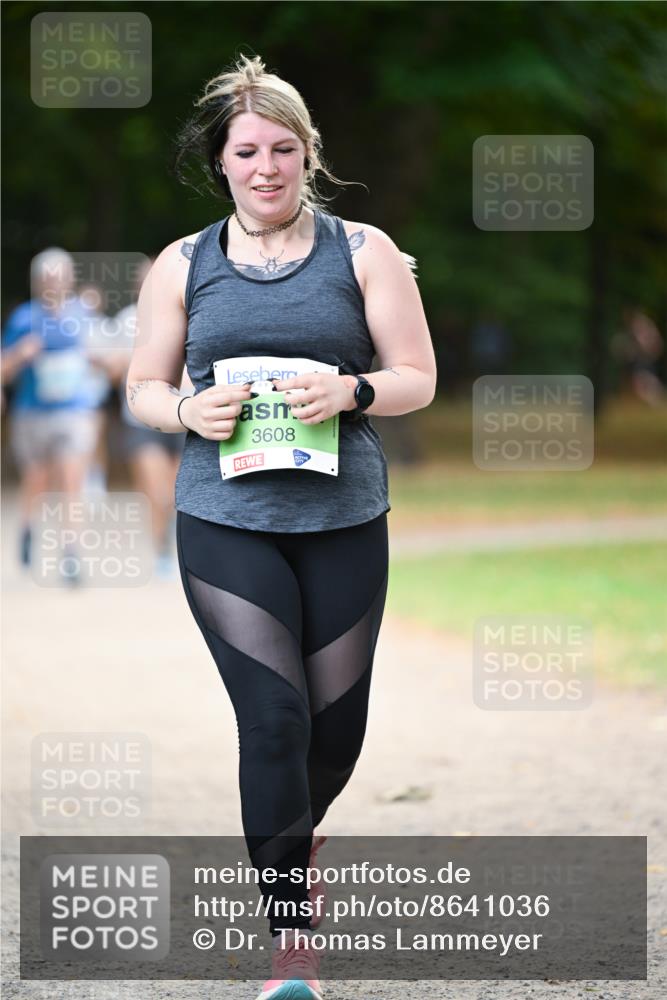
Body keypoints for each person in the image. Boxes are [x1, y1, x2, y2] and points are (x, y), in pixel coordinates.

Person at [126, 54, 436, 1000]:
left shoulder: (364, 251)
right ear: (218, 162)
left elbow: (417, 376)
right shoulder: (182, 264)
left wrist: (352, 388)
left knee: (332, 739)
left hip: (343, 516)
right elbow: (141, 387)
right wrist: (185, 413)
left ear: (309, 154)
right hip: (225, 519)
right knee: (272, 723)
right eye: (247, 151)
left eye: (284, 149)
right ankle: (291, 947)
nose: (267, 167)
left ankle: (295, 837)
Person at [2, 248, 99, 580]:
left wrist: (94, 356)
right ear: (39, 281)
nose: (55, 282)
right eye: (48, 276)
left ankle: (71, 553)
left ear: (69, 278)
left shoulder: (82, 314)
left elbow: (106, 356)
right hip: (32, 413)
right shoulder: (23, 318)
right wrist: (19, 354)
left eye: (61, 275)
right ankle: (28, 527)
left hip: (73, 412)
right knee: (37, 480)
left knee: (73, 480)